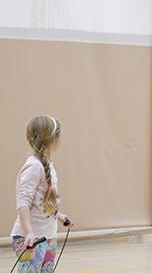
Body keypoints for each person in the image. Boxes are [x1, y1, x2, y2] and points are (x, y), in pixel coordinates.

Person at [11, 116, 74, 272]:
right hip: (32, 238)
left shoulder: (47, 165)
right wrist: (29, 233)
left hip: (48, 235)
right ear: (52, 138)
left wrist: (59, 215)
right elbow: (23, 202)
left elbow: (43, 200)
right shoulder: (34, 166)